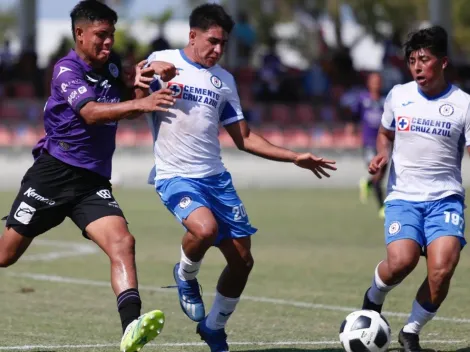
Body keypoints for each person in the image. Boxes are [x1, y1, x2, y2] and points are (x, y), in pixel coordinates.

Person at [144, 4, 337, 351]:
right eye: (213, 41)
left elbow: (244, 137)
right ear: (192, 36)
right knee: (205, 229)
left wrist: (295, 157)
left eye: (223, 44)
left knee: (243, 260)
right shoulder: (163, 59)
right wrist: (147, 70)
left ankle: (214, 327)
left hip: (215, 179)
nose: (218, 50)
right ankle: (186, 274)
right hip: (175, 175)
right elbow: (132, 86)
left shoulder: (224, 81)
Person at [0, 1, 176, 351]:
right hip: (52, 175)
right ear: (79, 34)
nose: (108, 42)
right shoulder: (66, 70)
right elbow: (93, 113)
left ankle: (131, 329)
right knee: (5, 255)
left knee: (123, 242)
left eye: (111, 34)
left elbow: (126, 103)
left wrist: (142, 80)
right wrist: (142, 103)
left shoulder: (110, 65)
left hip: (91, 182)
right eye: (101, 35)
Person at [361, 26, 468, 352]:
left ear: (443, 62)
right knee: (401, 262)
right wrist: (382, 155)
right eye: (412, 60)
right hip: (404, 196)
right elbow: (385, 134)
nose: (417, 67)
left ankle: (411, 331)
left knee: (441, 269)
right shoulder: (399, 95)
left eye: (424, 59)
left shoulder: (464, 104)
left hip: (445, 199)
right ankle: (372, 299)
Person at [357, 72, 387, 218]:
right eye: (373, 81)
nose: (376, 84)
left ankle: (367, 183)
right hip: (368, 142)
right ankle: (382, 207)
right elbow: (354, 115)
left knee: (381, 175)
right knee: (377, 171)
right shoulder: (363, 99)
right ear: (369, 83)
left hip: (383, 143)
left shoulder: (385, 101)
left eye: (378, 81)